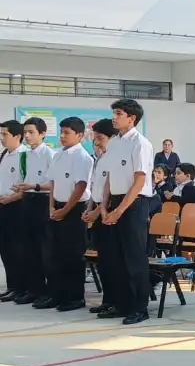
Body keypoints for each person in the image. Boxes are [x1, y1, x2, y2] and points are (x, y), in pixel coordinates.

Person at [101, 99, 155, 325]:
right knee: (116, 257)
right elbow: (109, 177)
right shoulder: (114, 142)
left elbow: (139, 180)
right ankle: (122, 303)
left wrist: (120, 210)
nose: (114, 118)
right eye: (114, 113)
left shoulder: (141, 143)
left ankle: (139, 307)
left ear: (131, 118)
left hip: (134, 203)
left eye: (119, 114)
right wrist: (104, 207)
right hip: (114, 201)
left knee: (134, 258)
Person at [38, 117, 94, 312]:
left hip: (74, 209)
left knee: (72, 255)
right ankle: (56, 294)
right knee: (53, 255)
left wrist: (65, 210)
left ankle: (74, 297)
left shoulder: (83, 157)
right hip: (57, 208)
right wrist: (52, 207)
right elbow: (52, 182)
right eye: (61, 132)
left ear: (79, 136)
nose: (62, 136)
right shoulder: (58, 155)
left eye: (67, 133)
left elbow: (81, 186)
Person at [11, 117, 55, 306]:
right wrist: (21, 188)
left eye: (31, 132)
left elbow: (52, 184)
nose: (27, 136)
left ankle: (48, 290)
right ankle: (34, 289)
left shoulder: (50, 155)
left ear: (43, 134)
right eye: (25, 132)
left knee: (43, 247)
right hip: (27, 200)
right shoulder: (25, 155)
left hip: (42, 201)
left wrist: (34, 186)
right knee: (28, 248)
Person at [82, 119, 117, 314]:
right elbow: (95, 189)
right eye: (94, 138)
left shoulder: (113, 159)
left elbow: (111, 191)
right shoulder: (99, 158)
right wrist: (89, 208)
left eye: (100, 138)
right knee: (103, 260)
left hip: (108, 214)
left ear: (112, 138)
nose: (96, 142)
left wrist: (96, 212)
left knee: (112, 261)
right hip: (96, 211)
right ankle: (107, 299)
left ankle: (115, 300)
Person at [0, 120, 27, 303]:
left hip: (16, 206)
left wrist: (9, 199)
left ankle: (22, 287)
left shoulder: (24, 155)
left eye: (5, 135)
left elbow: (27, 185)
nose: (2, 138)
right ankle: (12, 286)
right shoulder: (4, 154)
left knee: (19, 249)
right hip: (3, 205)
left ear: (17, 136)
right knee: (6, 249)